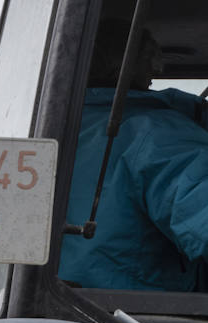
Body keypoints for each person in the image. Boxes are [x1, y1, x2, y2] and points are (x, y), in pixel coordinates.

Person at [60, 19, 208, 291]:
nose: (159, 67)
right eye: (149, 55)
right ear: (121, 61)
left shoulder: (48, 129)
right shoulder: (158, 134)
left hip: (49, 310)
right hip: (143, 320)